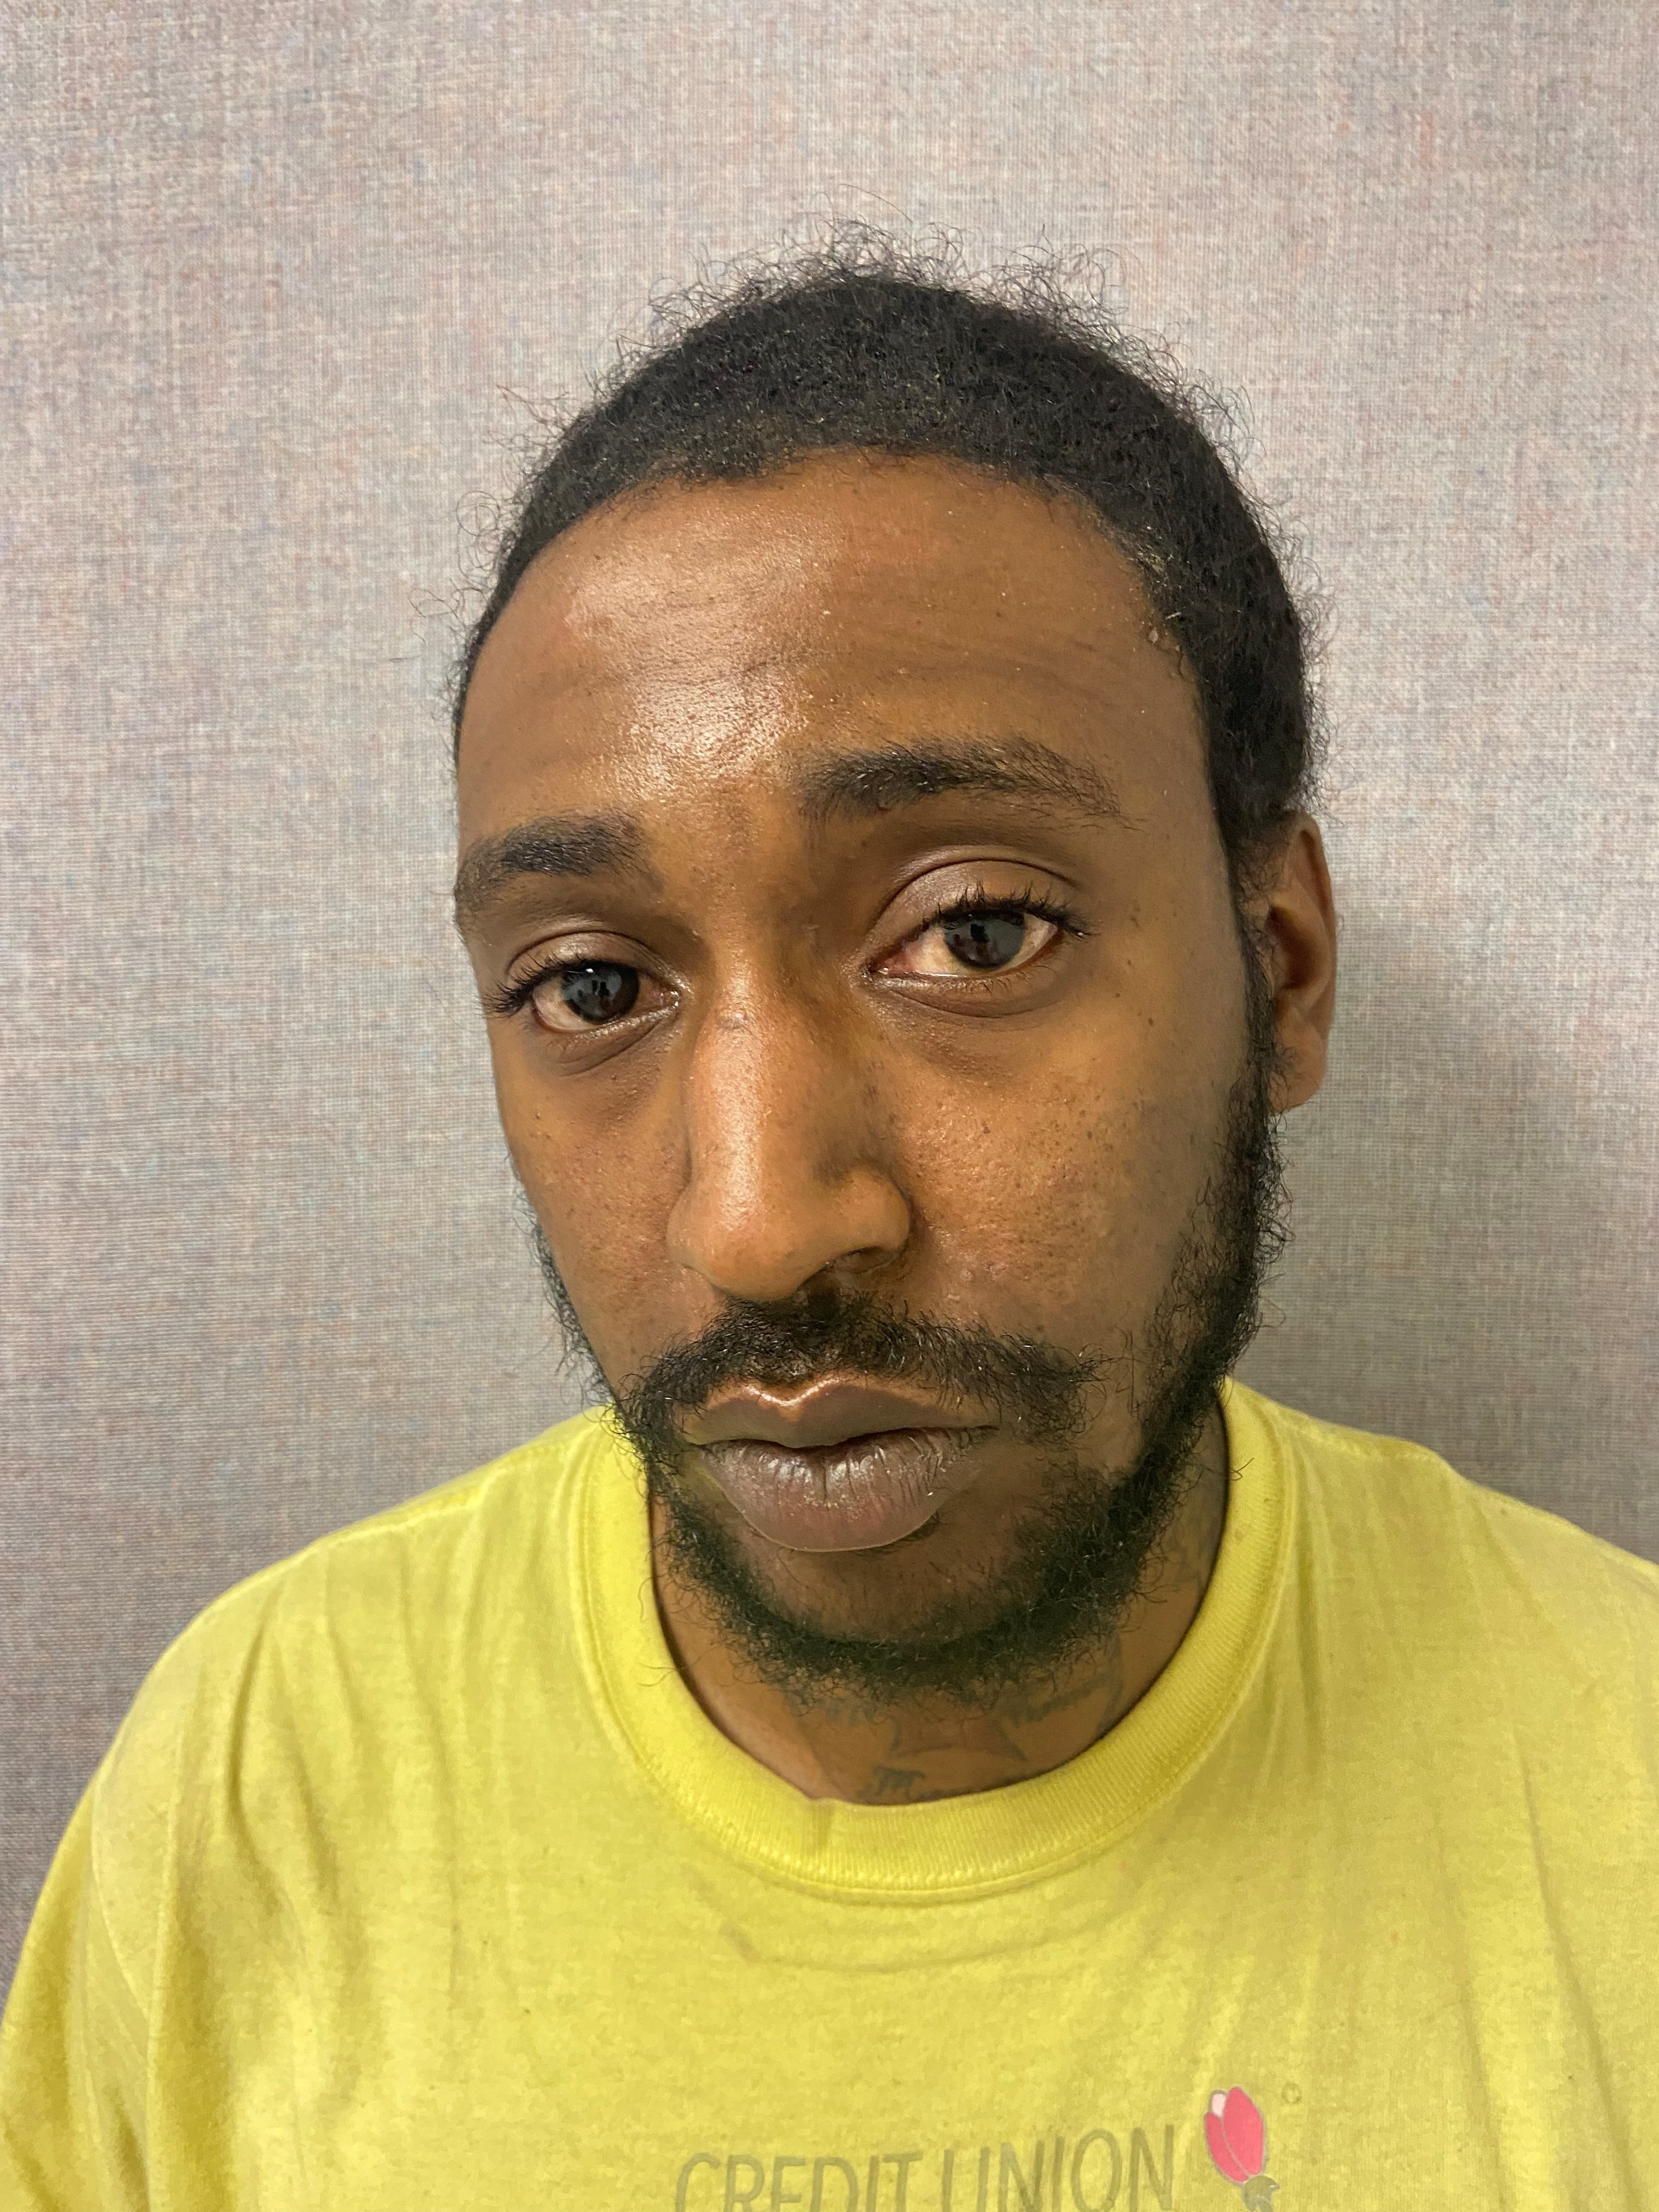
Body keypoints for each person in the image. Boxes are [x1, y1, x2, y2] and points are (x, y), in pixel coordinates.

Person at [3, 246, 1655, 2212]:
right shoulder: (254, 1787)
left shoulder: (1619, 1783)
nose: (762, 1223)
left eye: (976, 934)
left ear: (1279, 971)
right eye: (594, 986)